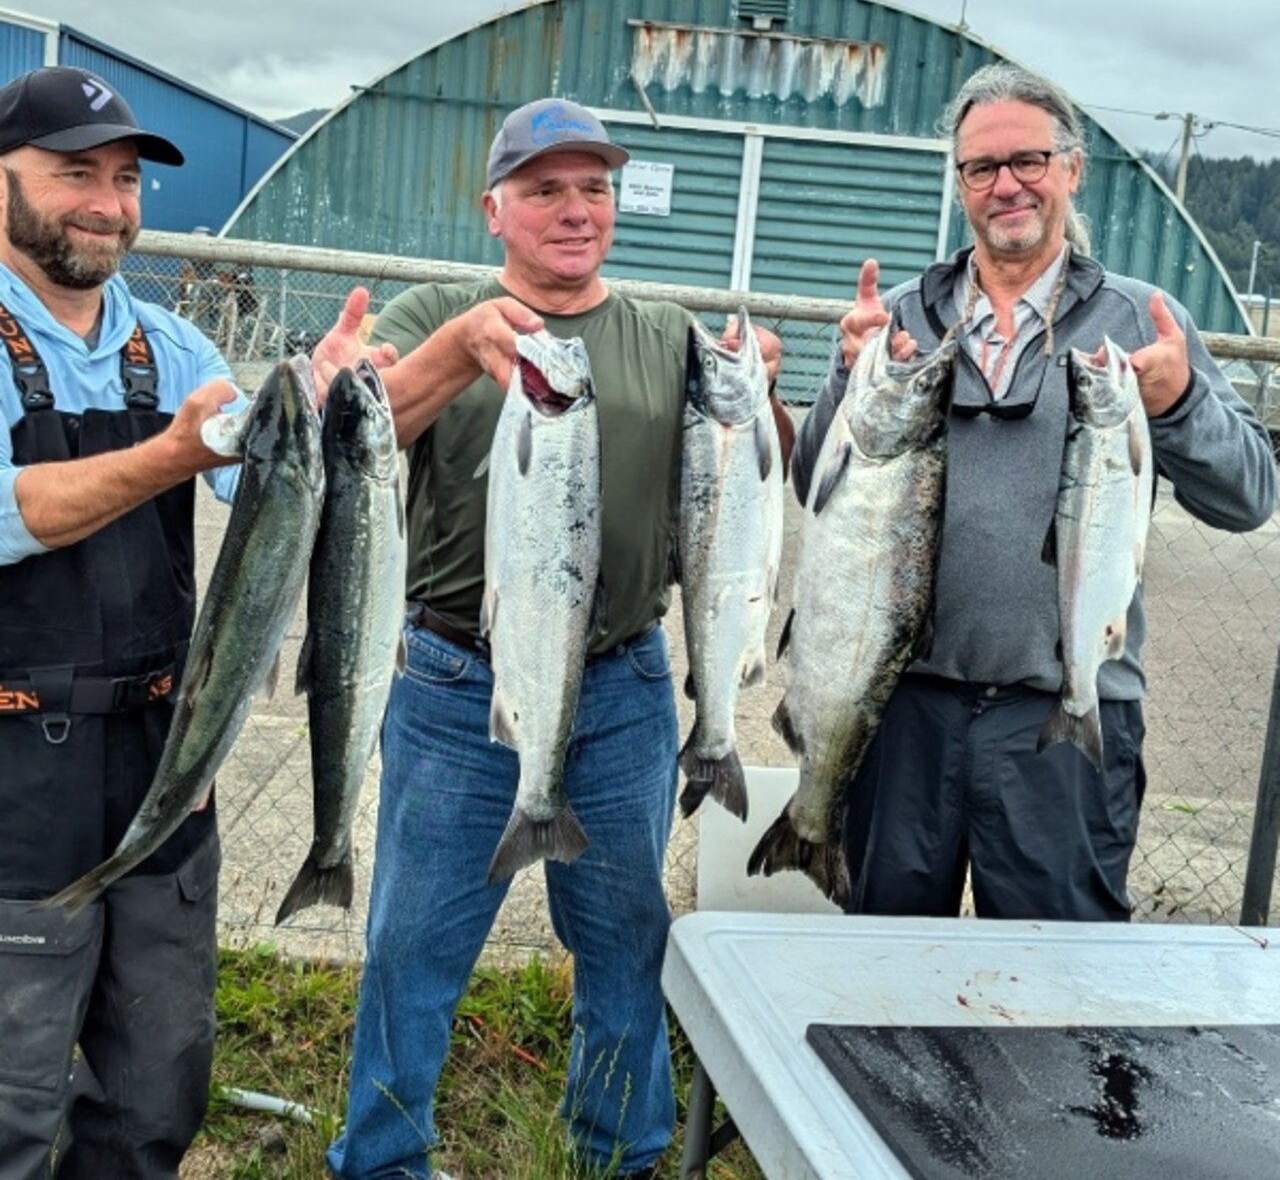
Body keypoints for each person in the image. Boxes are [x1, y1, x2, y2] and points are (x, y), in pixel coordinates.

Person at [313, 97, 792, 1180]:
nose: (574, 209)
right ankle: (381, 1159)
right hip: (455, 685)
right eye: (543, 189)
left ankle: (617, 1152)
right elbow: (358, 429)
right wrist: (449, 345)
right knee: (411, 945)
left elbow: (753, 480)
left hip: (624, 680)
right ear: (494, 208)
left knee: (624, 939)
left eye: (593, 187)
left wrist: (760, 382)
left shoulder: (665, 333)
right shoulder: (436, 306)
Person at [794, 62, 1276, 924]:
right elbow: (812, 488)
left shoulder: (1143, 320)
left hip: (1070, 719)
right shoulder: (901, 316)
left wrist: (1180, 404)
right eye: (982, 168)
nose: (1006, 184)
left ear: (1071, 169)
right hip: (903, 710)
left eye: (1028, 160)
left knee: (1062, 994)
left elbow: (1249, 496)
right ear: (960, 186)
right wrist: (844, 377)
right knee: (884, 974)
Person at [0, 66, 242, 1179]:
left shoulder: (172, 348)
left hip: (158, 755)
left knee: (156, 1080)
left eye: (126, 178)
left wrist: (369, 389)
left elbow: (273, 473)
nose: (107, 201)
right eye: (74, 173)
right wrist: (173, 454)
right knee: (13, 1089)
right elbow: (16, 513)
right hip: (14, 768)